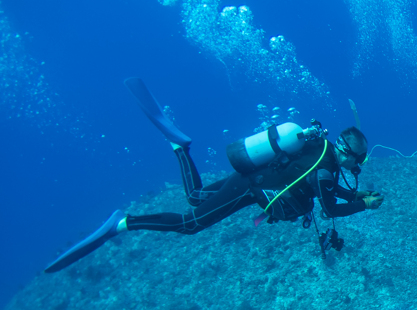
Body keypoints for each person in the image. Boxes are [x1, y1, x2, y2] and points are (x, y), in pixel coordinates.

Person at [44, 78, 383, 273]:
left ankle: (180, 148)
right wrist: (363, 205)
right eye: (360, 161)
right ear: (351, 155)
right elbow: (329, 206)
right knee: (189, 224)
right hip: (251, 187)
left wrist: (356, 195)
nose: (358, 168)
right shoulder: (325, 168)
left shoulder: (320, 150)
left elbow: (325, 188)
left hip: (253, 181)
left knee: (195, 197)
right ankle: (123, 223)